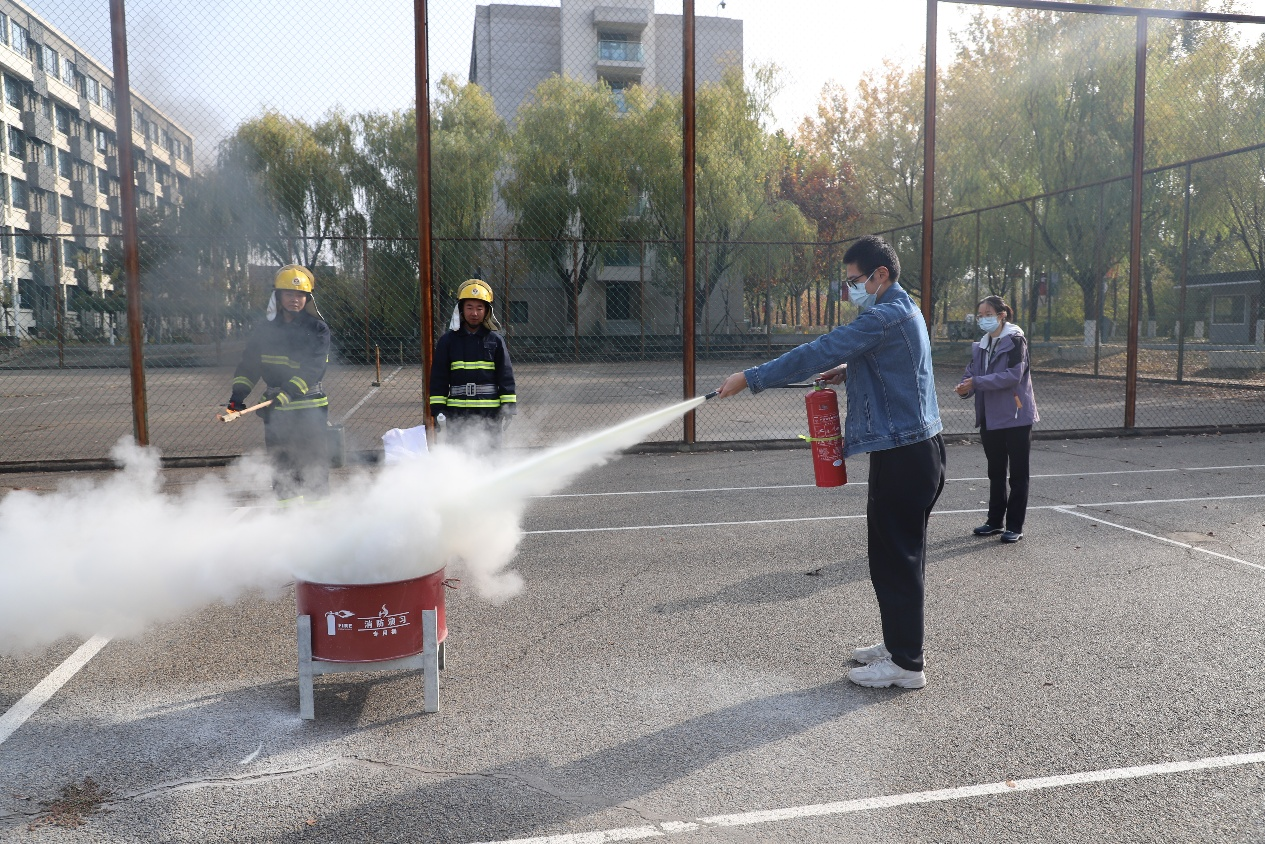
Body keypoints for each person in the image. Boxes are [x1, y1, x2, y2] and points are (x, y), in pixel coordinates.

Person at [715, 235, 945, 690]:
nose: (850, 290)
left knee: (895, 560)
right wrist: (850, 369)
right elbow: (896, 363)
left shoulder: (882, 316)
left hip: (904, 456)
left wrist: (751, 378)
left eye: (854, 281)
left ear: (881, 275)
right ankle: (899, 644)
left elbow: (818, 350)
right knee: (899, 556)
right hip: (915, 450)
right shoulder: (904, 310)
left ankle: (906, 664)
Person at [226, 264, 331, 504]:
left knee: (313, 467)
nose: (295, 299)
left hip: (309, 407)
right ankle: (288, 519)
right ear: (278, 296)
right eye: (289, 294)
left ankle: (320, 521)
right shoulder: (265, 330)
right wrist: (237, 397)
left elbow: (313, 368)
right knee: (282, 467)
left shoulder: (317, 329)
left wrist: (286, 394)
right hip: (276, 410)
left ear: (307, 298)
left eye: (300, 295)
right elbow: (249, 365)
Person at [954, 295, 1039, 544]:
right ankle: (994, 521)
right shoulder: (981, 345)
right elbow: (972, 373)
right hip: (990, 418)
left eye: (988, 314)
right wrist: (965, 388)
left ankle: (1014, 525)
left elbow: (1013, 375)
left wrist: (977, 382)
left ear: (1002, 316)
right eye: (980, 316)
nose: (983, 319)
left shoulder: (1015, 340)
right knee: (996, 471)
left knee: (1018, 474)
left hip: (1016, 416)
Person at [428, 279, 517, 442]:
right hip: (457, 414)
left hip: (490, 414)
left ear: (487, 311)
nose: (474, 313)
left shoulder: (496, 341)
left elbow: (505, 376)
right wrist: (438, 410)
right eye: (469, 307)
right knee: (458, 454)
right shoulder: (447, 341)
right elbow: (439, 379)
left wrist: (508, 407)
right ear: (461, 309)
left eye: (479, 308)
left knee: (490, 454)